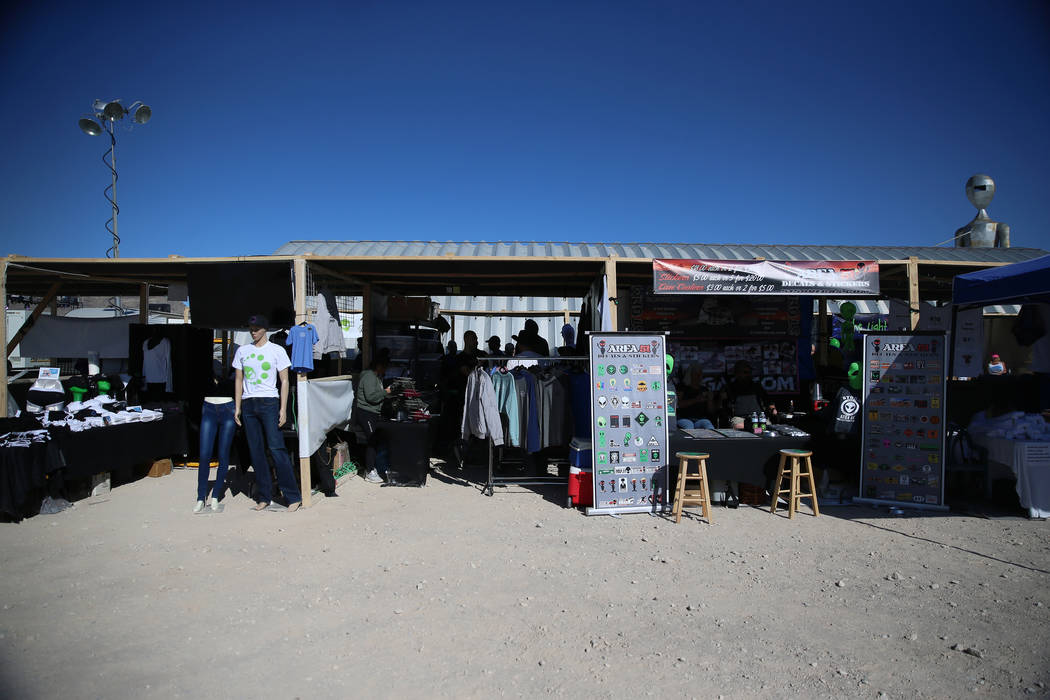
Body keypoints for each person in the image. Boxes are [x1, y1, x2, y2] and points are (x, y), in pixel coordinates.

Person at [234, 313, 302, 512]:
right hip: (248, 403)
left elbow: (285, 381)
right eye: (251, 329)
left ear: (265, 329)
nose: (253, 332)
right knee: (256, 451)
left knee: (276, 448)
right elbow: (239, 379)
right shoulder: (243, 351)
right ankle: (264, 495)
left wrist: (283, 408)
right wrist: (237, 406)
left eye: (256, 329)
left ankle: (292, 496)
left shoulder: (277, 350)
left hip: (269, 402)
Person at [195, 372, 236, 514]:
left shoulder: (240, 353)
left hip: (229, 406)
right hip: (209, 406)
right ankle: (201, 497)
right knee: (204, 454)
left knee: (223, 454)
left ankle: (215, 495)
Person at [353, 349, 391, 484]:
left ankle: (371, 468)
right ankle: (370, 470)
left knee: (374, 440)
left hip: (372, 412)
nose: (386, 370)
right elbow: (371, 397)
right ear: (379, 366)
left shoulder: (376, 377)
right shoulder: (369, 376)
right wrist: (385, 392)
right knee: (372, 440)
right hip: (366, 412)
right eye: (385, 367)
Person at [675, 365, 719, 430]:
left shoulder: (705, 390)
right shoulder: (682, 388)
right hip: (684, 418)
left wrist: (710, 400)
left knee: (708, 425)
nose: (699, 376)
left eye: (700, 374)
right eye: (696, 374)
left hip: (700, 419)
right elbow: (678, 404)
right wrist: (696, 400)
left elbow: (711, 411)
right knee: (689, 425)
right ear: (690, 375)